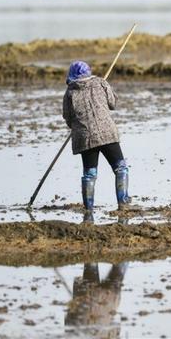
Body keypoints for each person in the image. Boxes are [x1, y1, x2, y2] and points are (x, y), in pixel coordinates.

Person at [62, 61, 130, 221]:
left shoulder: (70, 92)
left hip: (85, 137)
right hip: (107, 133)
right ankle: (123, 204)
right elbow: (113, 103)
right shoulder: (100, 82)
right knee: (120, 168)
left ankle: (88, 209)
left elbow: (68, 118)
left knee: (90, 174)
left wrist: (76, 124)